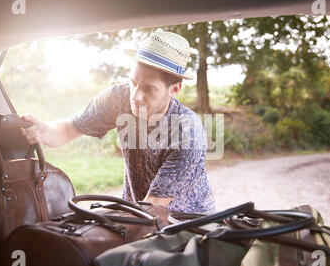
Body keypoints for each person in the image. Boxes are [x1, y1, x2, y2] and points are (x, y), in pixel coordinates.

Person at [19, 29, 215, 214]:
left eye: (149, 88)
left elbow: (153, 207)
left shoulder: (189, 132)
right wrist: (44, 131)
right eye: (133, 83)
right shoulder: (117, 99)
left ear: (174, 89)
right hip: (139, 213)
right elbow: (70, 129)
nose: (136, 96)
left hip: (187, 225)